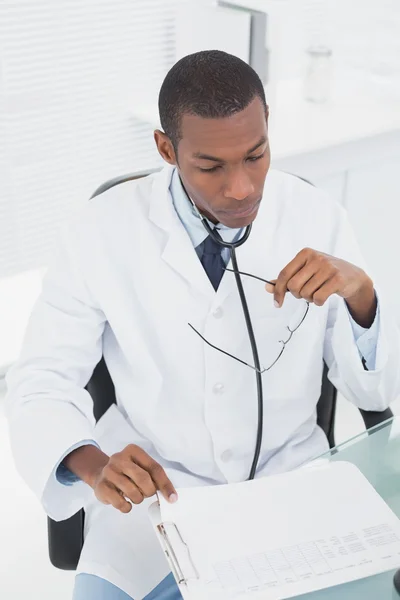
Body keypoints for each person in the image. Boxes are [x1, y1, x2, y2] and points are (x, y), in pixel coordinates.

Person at [5, 50, 400, 600]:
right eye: (211, 166)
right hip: (156, 504)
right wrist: (92, 466)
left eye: (256, 156)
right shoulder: (100, 231)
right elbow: (42, 379)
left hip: (294, 491)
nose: (240, 188)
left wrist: (363, 294)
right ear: (167, 149)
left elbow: (374, 388)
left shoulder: (317, 215)